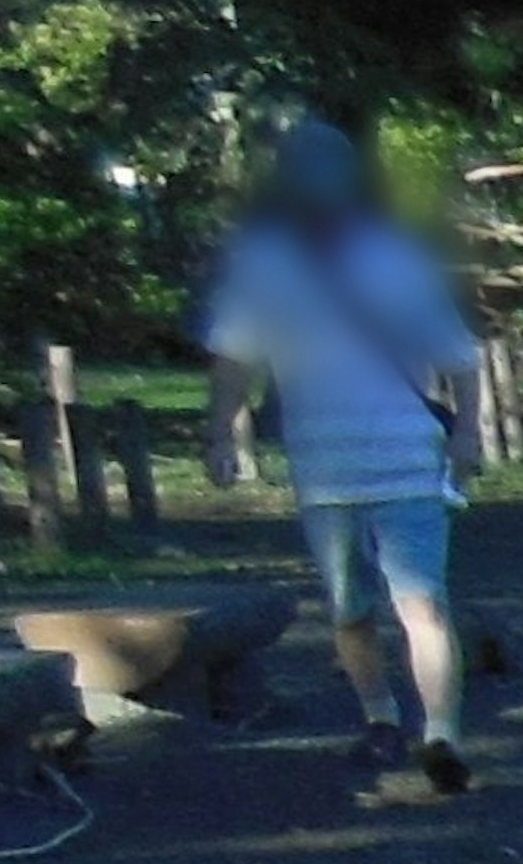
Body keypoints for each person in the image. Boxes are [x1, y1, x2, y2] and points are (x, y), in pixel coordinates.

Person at [201, 115, 485, 794]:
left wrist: (467, 431)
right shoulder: (261, 265)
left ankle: (440, 734)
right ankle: (381, 717)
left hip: (404, 457)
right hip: (323, 467)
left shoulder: (394, 256)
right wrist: (217, 433)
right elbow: (234, 359)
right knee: (350, 610)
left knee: (423, 603)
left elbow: (459, 354)